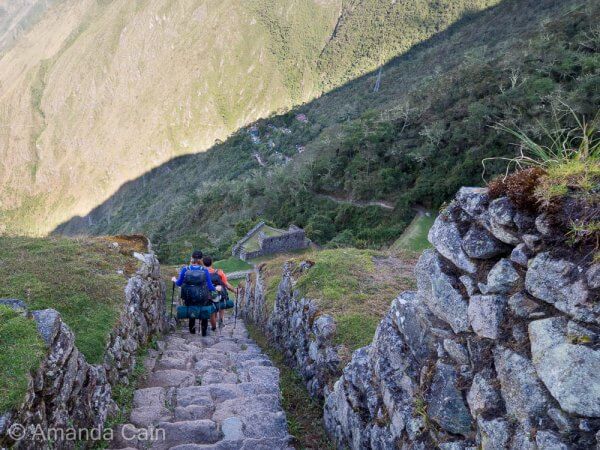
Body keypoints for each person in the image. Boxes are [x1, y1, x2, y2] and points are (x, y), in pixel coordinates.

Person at [172, 250, 218, 336]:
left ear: (192, 258)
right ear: (201, 259)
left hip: (188, 296)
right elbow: (210, 287)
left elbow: (179, 283)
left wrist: (174, 280)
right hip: (202, 297)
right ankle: (204, 333)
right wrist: (216, 288)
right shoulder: (205, 270)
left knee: (191, 311)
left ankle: (192, 332)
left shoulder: (185, 269)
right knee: (204, 311)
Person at [203, 256, 235, 328]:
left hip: (207, 295)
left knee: (212, 309)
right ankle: (221, 320)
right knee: (222, 302)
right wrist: (234, 290)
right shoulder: (219, 272)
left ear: (203, 264)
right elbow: (226, 284)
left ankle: (213, 325)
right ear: (212, 263)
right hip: (219, 294)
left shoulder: (201, 273)